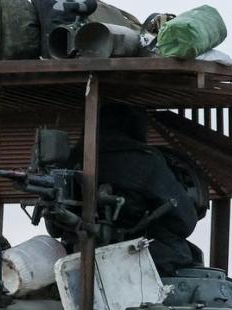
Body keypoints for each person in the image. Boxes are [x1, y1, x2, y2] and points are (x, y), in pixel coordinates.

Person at [61, 104, 203, 275]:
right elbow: (184, 221)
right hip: (140, 261)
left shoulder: (68, 163)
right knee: (186, 253)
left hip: (74, 260)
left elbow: (54, 227)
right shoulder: (145, 160)